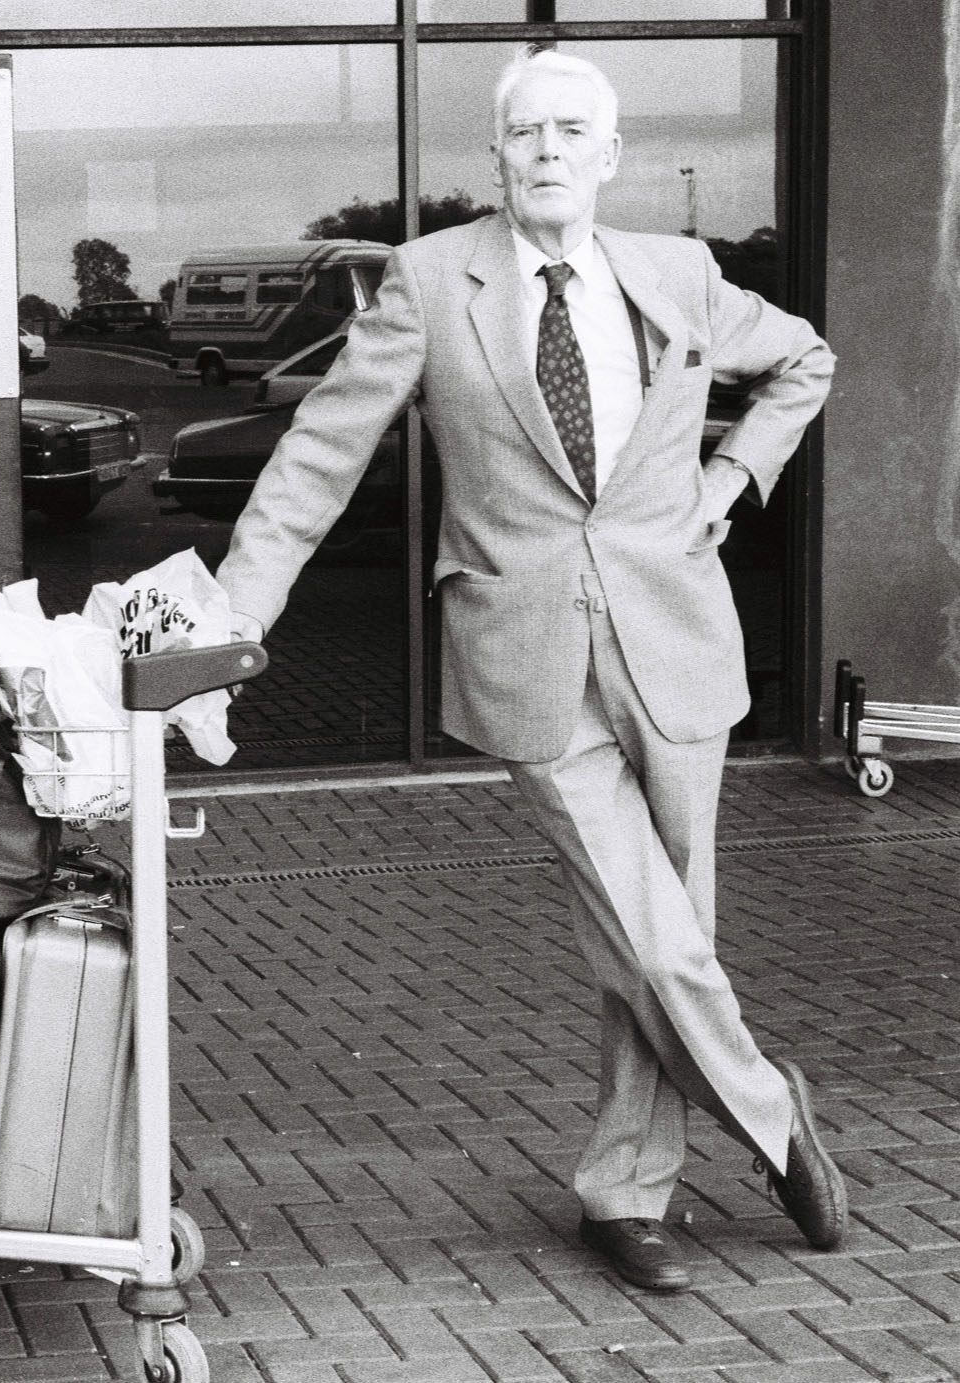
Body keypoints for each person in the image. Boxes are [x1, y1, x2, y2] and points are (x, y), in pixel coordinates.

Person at [216, 47, 844, 1292]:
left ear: (607, 157)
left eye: (571, 131)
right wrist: (231, 625)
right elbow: (317, 458)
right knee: (648, 925)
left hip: (677, 643)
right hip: (525, 654)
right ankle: (772, 1112)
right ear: (495, 157)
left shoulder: (679, 272)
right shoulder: (429, 283)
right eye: (525, 133)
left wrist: (728, 481)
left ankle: (628, 1192)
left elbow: (804, 361)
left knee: (662, 930)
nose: (548, 149)